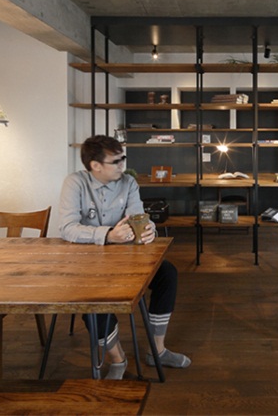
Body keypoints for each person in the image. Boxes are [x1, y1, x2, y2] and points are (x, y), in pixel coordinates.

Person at [59, 135, 191, 379]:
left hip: (127, 258)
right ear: (95, 165)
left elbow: (138, 217)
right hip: (87, 262)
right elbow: (67, 228)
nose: (122, 165)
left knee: (167, 273)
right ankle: (117, 358)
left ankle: (157, 350)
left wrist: (148, 229)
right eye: (116, 161)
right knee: (92, 300)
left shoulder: (128, 182)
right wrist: (109, 234)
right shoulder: (75, 183)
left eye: (123, 158)